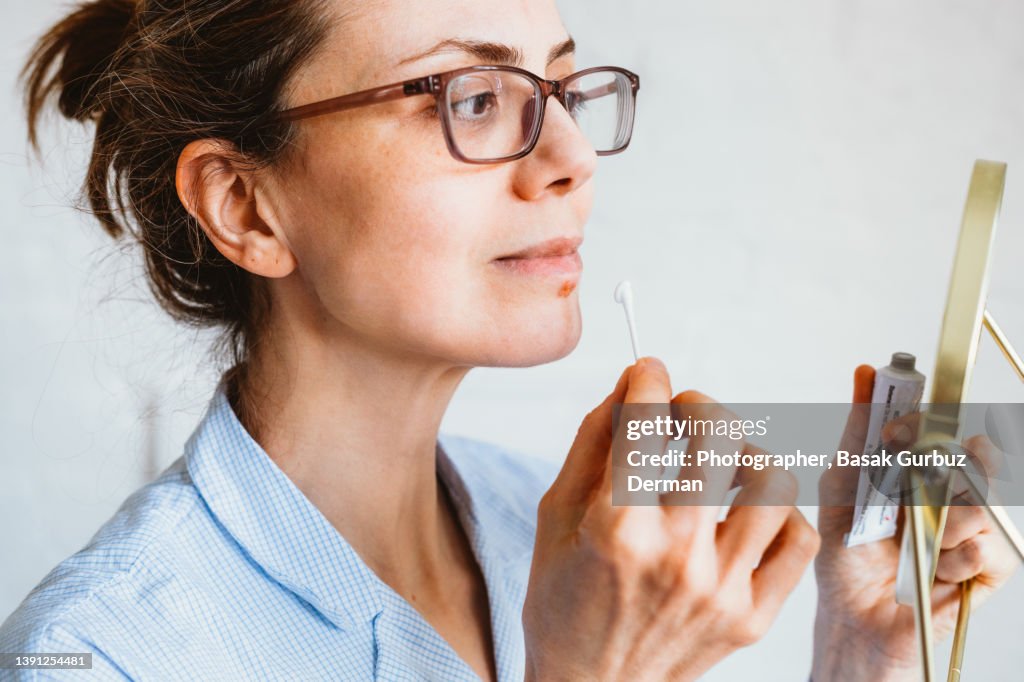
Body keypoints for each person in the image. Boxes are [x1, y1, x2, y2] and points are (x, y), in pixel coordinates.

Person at [1, 0, 1016, 679]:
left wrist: (860, 652)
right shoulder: (101, 653)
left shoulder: (557, 532)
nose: (572, 157)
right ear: (247, 207)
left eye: (564, 94)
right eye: (473, 99)